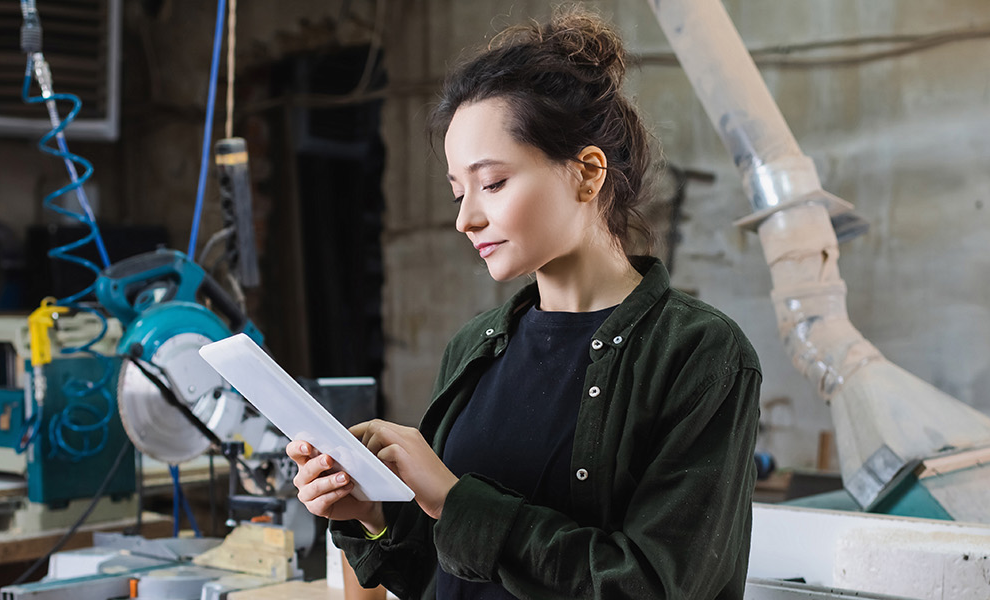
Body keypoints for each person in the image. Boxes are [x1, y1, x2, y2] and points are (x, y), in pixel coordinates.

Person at [287, 7, 761, 599]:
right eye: (459, 191)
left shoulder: (699, 354)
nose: (466, 218)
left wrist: (455, 500)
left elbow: (656, 586)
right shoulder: (475, 347)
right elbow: (443, 573)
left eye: (492, 183)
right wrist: (374, 514)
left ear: (588, 174)